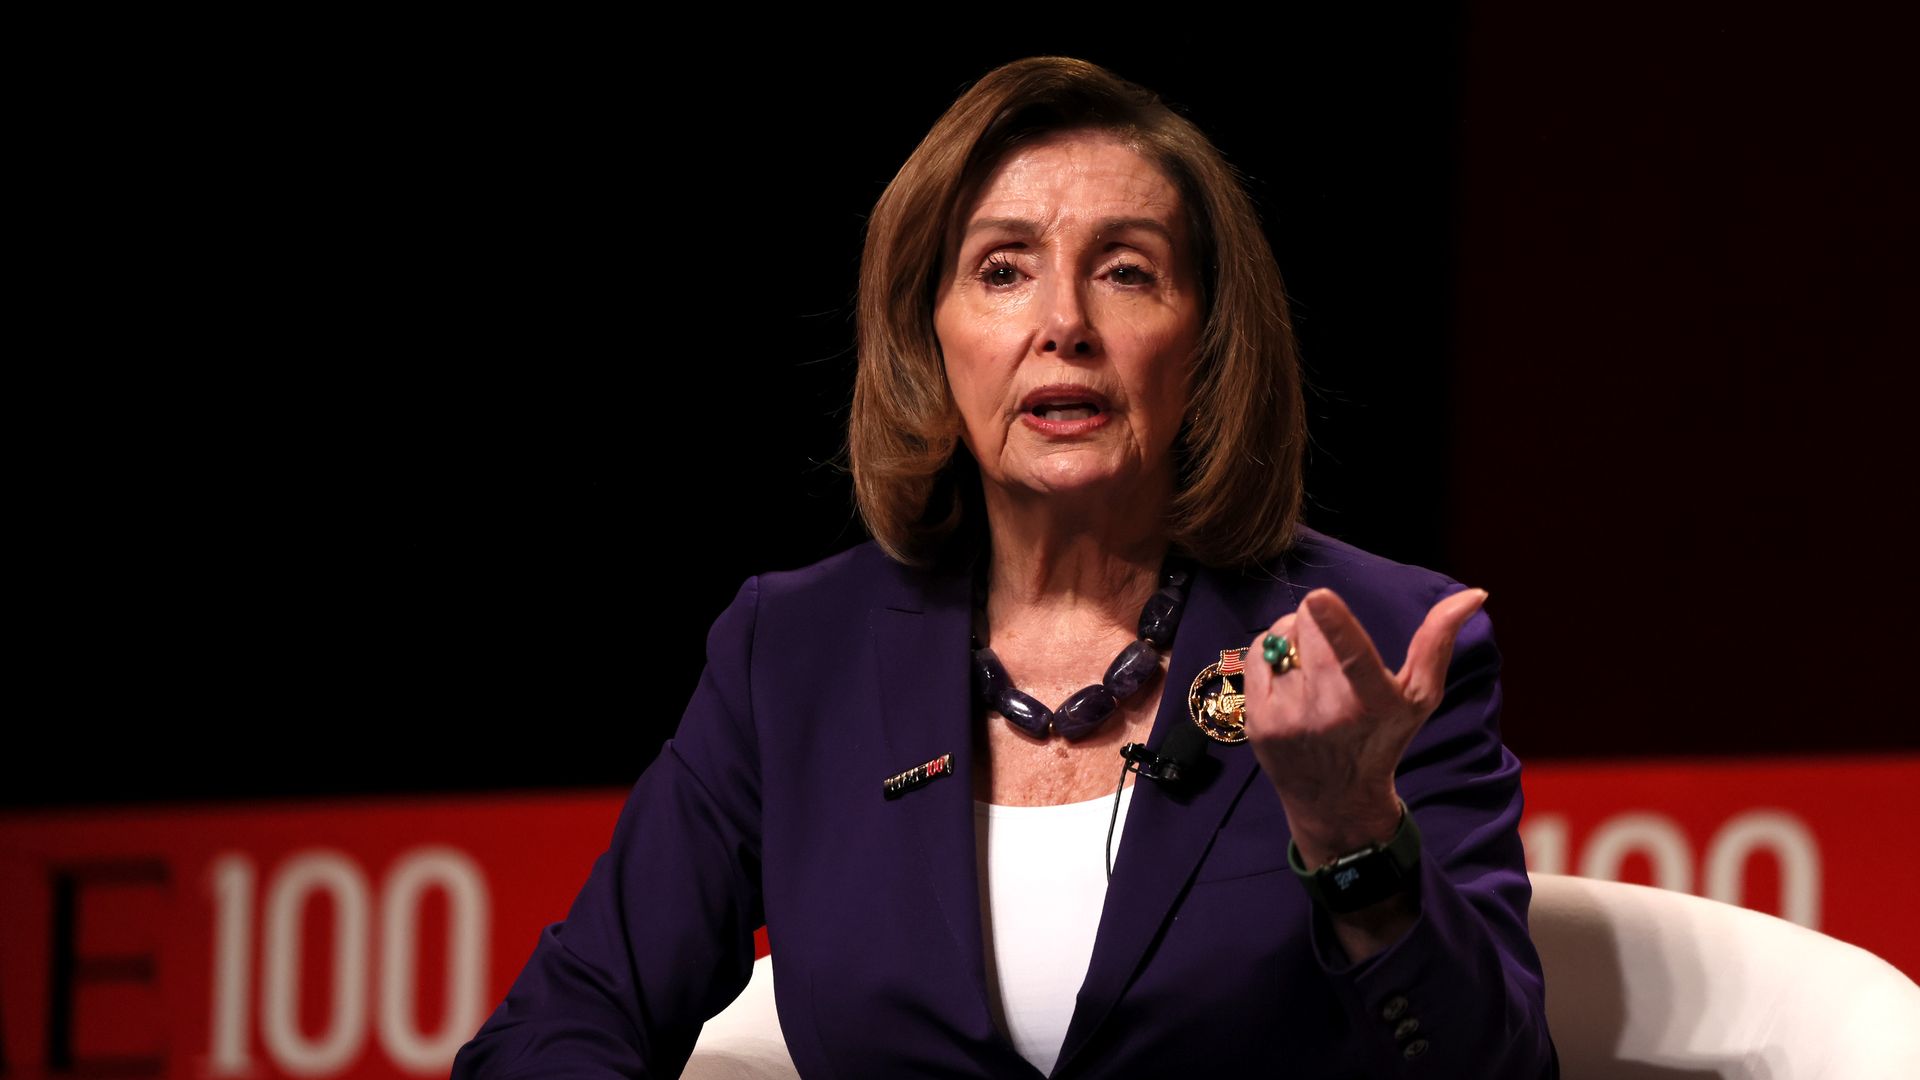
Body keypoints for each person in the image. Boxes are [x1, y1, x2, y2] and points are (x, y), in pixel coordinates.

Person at [453, 56, 1557, 1078]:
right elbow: (558, 1026)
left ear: (1207, 341)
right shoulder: (792, 655)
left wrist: (1355, 837)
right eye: (1002, 271)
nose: (1064, 322)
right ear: (929, 334)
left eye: (1126, 272)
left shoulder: (1375, 642)